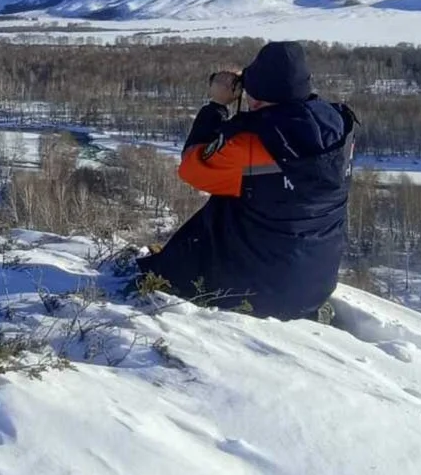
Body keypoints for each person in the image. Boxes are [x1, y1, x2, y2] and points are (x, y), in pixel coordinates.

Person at [136, 41, 358, 322]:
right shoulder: (339, 124)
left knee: (220, 208)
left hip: (253, 293)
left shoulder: (250, 141)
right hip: (314, 285)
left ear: (255, 95)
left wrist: (216, 106)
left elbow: (192, 169)